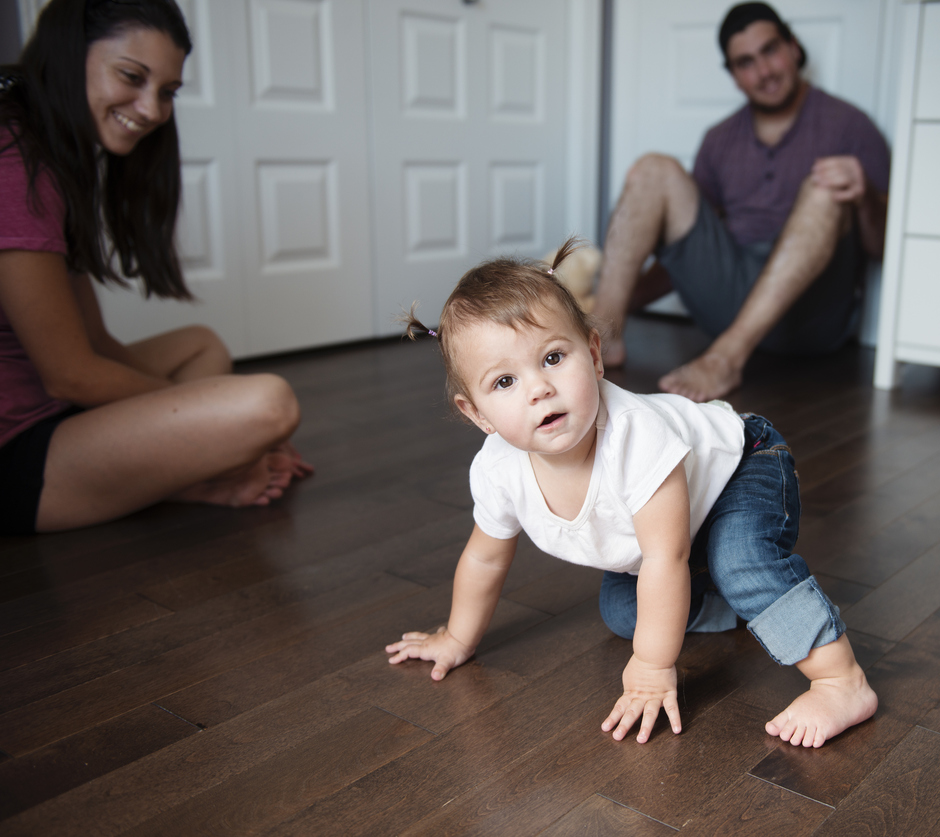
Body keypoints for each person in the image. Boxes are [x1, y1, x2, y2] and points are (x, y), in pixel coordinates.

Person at [385, 239, 877, 748]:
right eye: (505, 381)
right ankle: (747, 604)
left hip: (743, 465)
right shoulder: (497, 470)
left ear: (594, 355)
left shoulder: (635, 436)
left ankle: (841, 680)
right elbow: (485, 560)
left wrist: (651, 665)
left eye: (553, 357)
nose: (539, 388)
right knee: (625, 615)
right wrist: (457, 638)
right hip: (677, 527)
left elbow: (666, 557)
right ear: (477, 414)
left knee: (740, 561)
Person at [0, 0, 312, 535]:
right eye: (131, 76)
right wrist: (223, 426)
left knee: (202, 345)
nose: (150, 109)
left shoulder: (53, 158)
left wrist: (208, 423)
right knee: (268, 404)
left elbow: (95, 345)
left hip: (51, 413)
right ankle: (202, 479)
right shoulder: (15, 162)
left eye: (167, 92)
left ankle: (190, 475)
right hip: (17, 460)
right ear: (69, 55)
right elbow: (69, 374)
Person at [593, 2, 890, 403]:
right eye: (746, 62)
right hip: (731, 296)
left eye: (771, 50)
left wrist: (866, 196)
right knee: (652, 169)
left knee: (824, 189)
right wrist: (615, 302)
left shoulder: (852, 126)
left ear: (794, 47)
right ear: (734, 76)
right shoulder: (719, 140)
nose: (764, 71)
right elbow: (686, 251)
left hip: (812, 314)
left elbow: (882, 248)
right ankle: (602, 336)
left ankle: (726, 359)